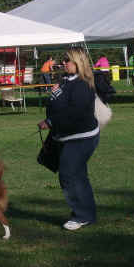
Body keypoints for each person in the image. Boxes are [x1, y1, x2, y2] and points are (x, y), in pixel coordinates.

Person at [38, 48, 100, 231]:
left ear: (78, 62)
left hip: (82, 137)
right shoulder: (65, 81)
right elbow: (56, 106)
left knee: (68, 174)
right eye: (63, 59)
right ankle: (87, 214)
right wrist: (53, 99)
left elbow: (75, 114)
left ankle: (80, 215)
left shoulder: (81, 84)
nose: (63, 63)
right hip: (67, 136)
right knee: (79, 176)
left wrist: (51, 121)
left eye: (67, 60)